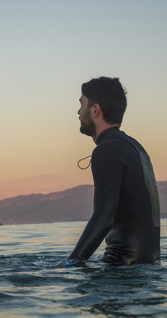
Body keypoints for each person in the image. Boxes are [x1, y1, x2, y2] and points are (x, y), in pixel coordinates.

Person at [59, 76, 160, 267]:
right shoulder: (135, 147)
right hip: (146, 269)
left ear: (95, 110)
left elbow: (103, 218)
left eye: (82, 104)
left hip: (122, 271)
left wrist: (70, 263)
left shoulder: (107, 150)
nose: (78, 111)